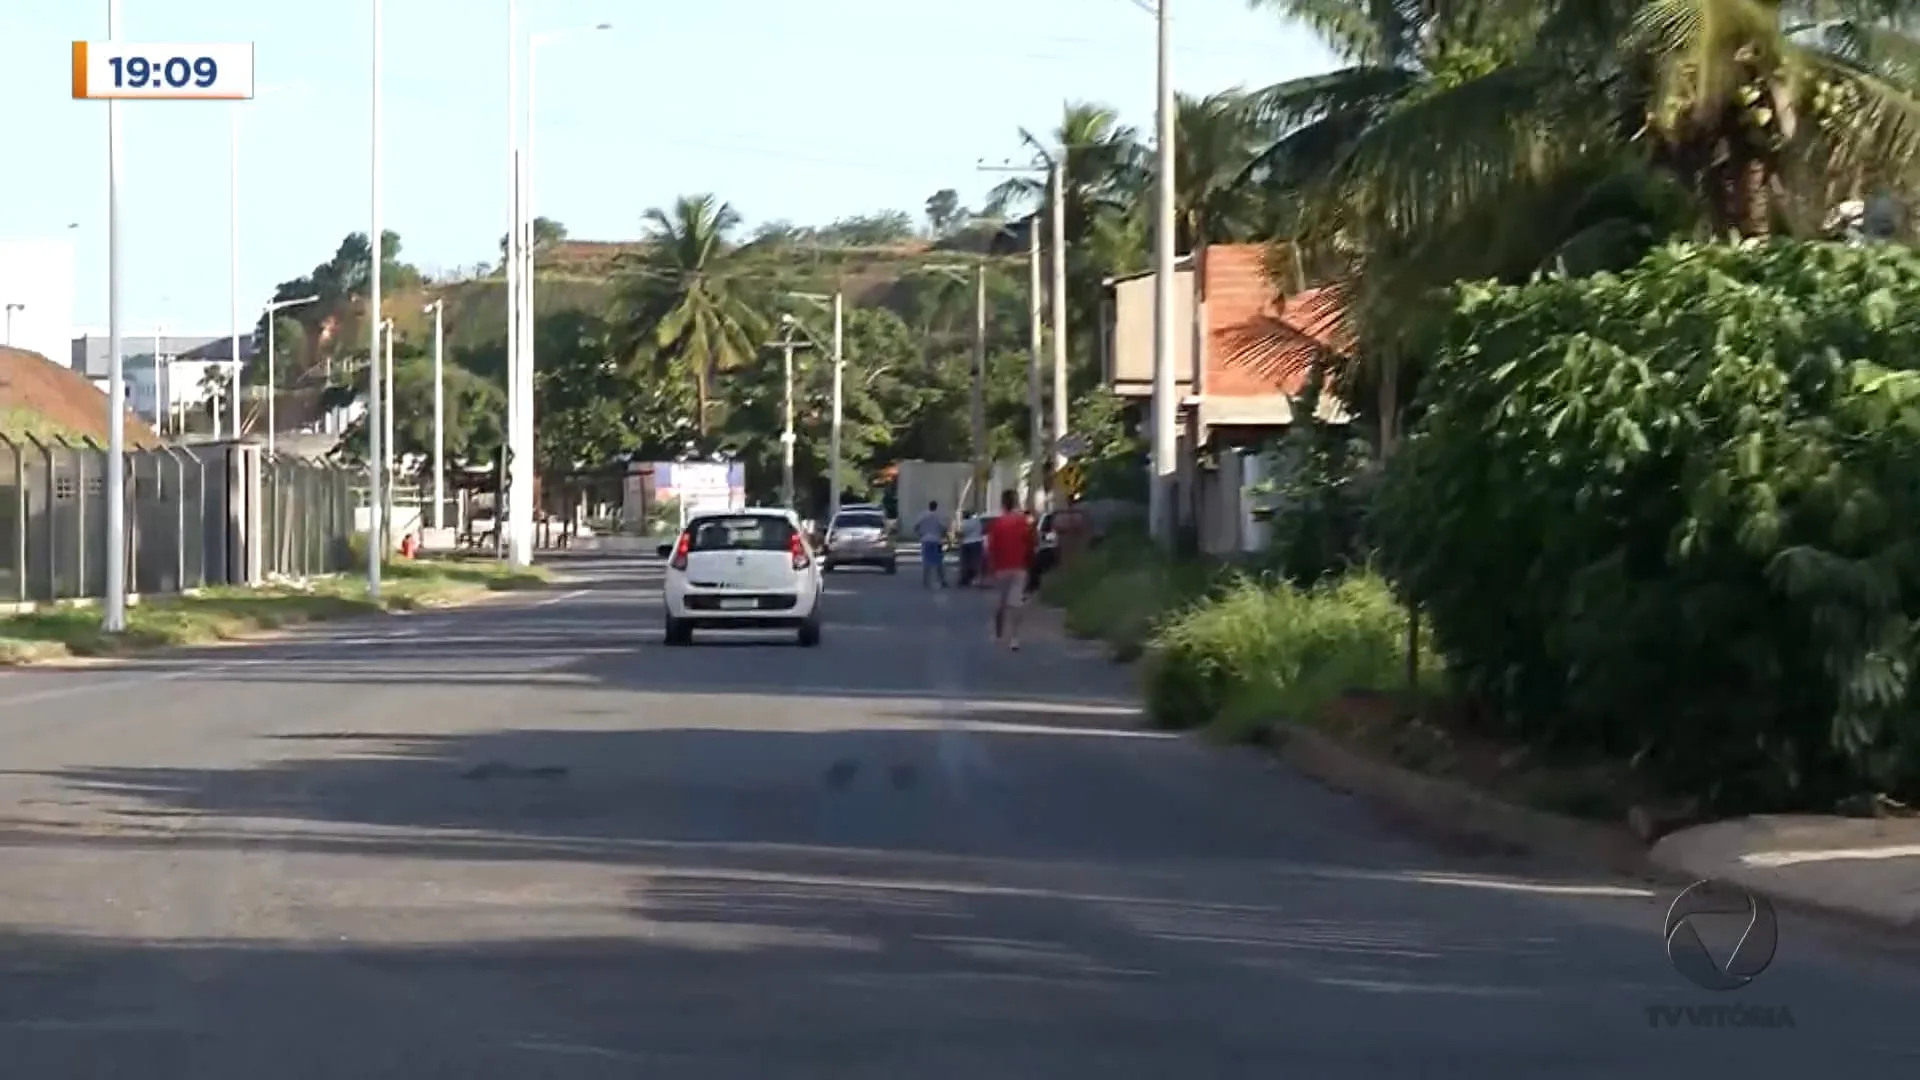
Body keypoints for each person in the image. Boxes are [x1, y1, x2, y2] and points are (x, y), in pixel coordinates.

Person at [984, 489, 1036, 650]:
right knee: (1016, 603)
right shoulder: (1023, 522)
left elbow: (991, 547)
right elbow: (1031, 543)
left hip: (1001, 567)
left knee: (1001, 602)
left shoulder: (997, 524)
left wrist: (990, 567)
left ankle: (999, 635)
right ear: (1016, 502)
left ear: (1003, 503)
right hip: (1019, 566)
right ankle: (1014, 637)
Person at [912, 499, 949, 589]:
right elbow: (944, 527)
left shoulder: (923, 515)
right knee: (938, 561)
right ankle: (942, 580)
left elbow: (916, 526)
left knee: (926, 561)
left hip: (925, 540)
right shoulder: (938, 516)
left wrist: (920, 534)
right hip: (936, 540)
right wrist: (944, 536)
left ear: (929, 506)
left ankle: (926, 581)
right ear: (936, 507)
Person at [957, 510, 985, 587]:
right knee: (976, 561)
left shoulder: (964, 523)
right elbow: (982, 530)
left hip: (966, 543)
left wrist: (958, 536)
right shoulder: (977, 521)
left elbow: (962, 533)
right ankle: (977, 577)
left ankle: (965, 578)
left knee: (965, 561)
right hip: (977, 542)